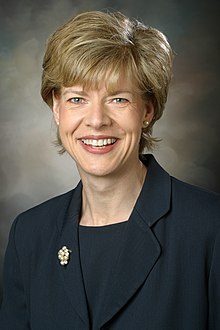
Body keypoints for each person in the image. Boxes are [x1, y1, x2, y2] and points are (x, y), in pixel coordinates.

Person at [0, 10, 220, 330]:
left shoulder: (210, 227)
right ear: (56, 108)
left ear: (147, 109)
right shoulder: (30, 234)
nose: (96, 120)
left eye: (117, 99)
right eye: (77, 99)